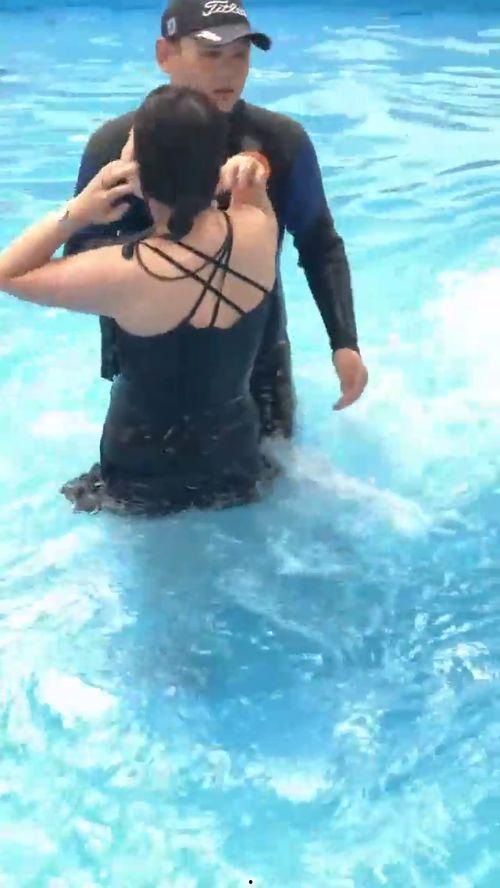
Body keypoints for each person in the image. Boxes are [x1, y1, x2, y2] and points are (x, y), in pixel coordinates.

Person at [65, 0, 368, 441]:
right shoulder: (113, 147)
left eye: (240, 55)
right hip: (146, 372)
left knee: (277, 477)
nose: (228, 71)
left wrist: (344, 342)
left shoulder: (281, 142)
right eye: (211, 54)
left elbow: (319, 243)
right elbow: (77, 251)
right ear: (165, 54)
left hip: (258, 365)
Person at [0, 85, 278, 515]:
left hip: (143, 474)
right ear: (216, 164)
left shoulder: (123, 272)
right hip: (233, 460)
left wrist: (77, 211)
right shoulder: (257, 229)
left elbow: (8, 273)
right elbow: (252, 180)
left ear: (137, 173)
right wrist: (251, 163)